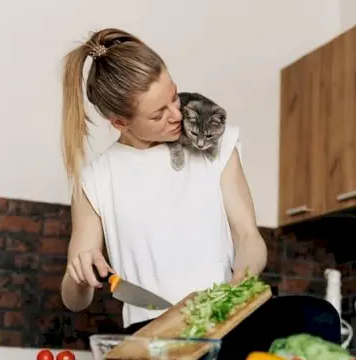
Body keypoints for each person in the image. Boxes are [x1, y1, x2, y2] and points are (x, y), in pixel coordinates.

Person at [59, 28, 267, 337]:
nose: (176, 115)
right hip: (149, 342)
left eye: (174, 98)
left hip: (225, 330)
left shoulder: (215, 147)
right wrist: (79, 274)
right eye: (158, 115)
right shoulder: (96, 180)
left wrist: (231, 295)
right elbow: (75, 300)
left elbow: (248, 236)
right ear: (120, 122)